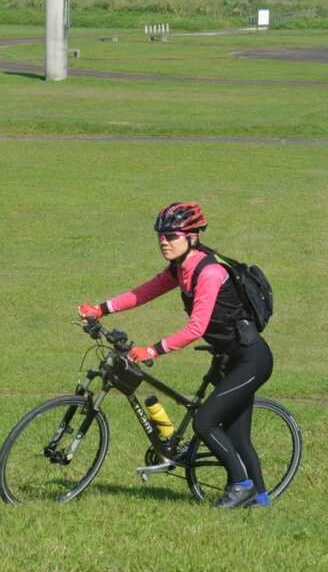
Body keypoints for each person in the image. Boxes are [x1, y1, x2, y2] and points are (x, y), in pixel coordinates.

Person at [77, 202, 274, 510]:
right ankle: (260, 499)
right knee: (238, 435)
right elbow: (144, 292)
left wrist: (152, 349)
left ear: (192, 237)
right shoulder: (181, 269)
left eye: (171, 235)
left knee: (205, 422)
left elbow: (196, 327)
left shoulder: (209, 272)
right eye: (161, 236)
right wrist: (100, 309)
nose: (163, 241)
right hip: (227, 358)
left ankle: (241, 484)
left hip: (251, 359)